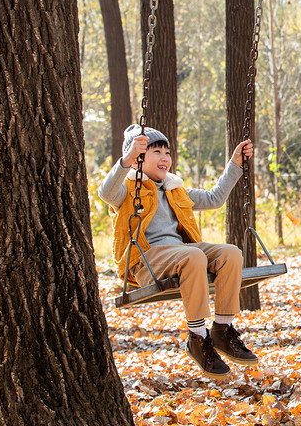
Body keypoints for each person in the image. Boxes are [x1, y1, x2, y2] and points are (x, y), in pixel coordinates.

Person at [98, 124, 257, 380]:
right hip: (146, 261)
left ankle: (222, 329)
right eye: (156, 152)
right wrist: (126, 160)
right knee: (193, 256)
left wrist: (235, 164)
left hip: (179, 254)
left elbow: (215, 198)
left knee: (231, 253)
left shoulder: (174, 189)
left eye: (167, 153)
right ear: (138, 156)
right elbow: (104, 193)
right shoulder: (126, 189)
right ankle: (197, 336)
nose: (164, 158)